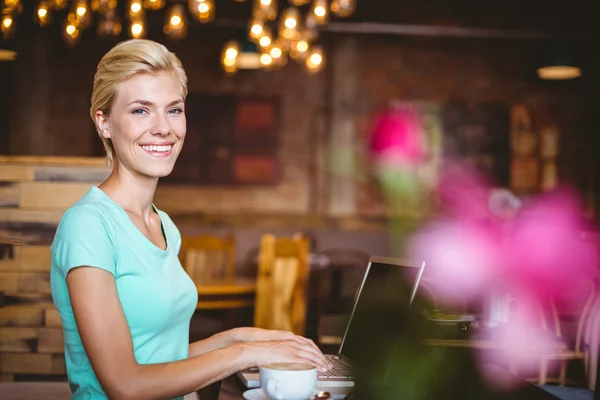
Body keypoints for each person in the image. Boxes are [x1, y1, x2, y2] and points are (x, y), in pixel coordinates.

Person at [50, 39, 329, 400]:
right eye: (140, 111)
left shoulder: (163, 224)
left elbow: (163, 359)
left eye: (174, 110)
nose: (164, 128)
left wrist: (240, 337)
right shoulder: (88, 226)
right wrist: (245, 353)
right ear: (104, 123)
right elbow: (127, 384)